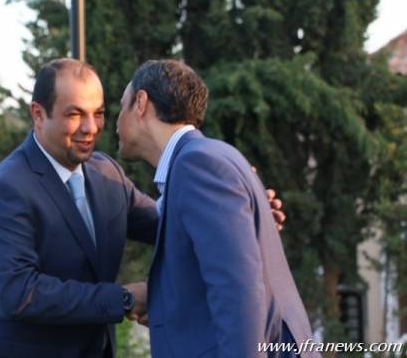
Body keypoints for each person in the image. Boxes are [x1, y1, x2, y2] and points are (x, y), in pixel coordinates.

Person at [0, 58, 285, 357]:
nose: (91, 127)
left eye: (99, 113)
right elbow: (16, 293)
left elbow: (168, 223)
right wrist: (124, 299)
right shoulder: (7, 187)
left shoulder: (106, 173)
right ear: (38, 114)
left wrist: (234, 214)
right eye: (75, 114)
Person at [116, 59, 319, 358]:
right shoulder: (210, 157)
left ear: (141, 103)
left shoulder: (197, 165)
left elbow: (237, 289)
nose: (115, 121)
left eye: (122, 106)